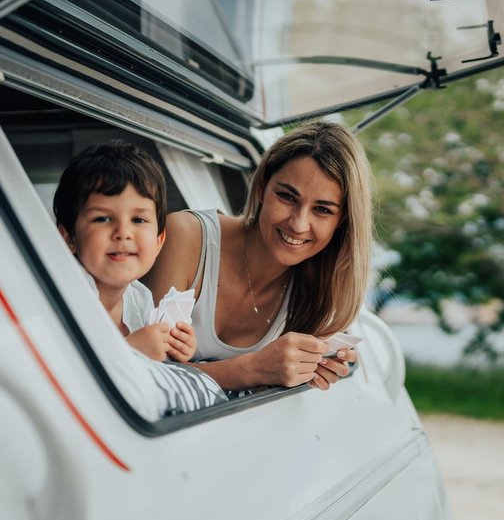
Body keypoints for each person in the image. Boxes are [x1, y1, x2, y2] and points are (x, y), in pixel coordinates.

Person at [144, 121, 372, 391]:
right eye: (287, 196)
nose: (298, 224)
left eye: (322, 210)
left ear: (341, 219)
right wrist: (254, 369)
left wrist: (311, 370)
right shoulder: (188, 237)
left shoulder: (320, 292)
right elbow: (146, 371)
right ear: (262, 185)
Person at [53, 141, 196, 362]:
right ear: (68, 237)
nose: (123, 233)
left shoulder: (139, 297)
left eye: (138, 219)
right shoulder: (66, 297)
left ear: (159, 241)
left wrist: (173, 347)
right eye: (102, 219)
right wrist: (130, 350)